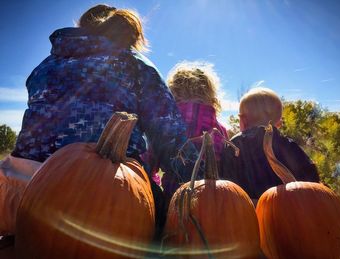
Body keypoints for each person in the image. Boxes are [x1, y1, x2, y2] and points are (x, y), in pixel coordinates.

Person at [1, 4, 197, 237]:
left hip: (17, 195)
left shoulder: (44, 66)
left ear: (82, 28)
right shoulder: (134, 64)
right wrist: (201, 185)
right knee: (165, 231)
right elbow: (171, 139)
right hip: (102, 202)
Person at [144, 61, 228, 205]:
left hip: (173, 201)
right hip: (215, 202)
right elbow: (227, 167)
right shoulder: (219, 130)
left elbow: (148, 163)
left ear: (171, 95)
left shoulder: (164, 127)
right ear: (211, 96)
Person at [221, 87, 320, 204]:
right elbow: (311, 179)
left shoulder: (234, 146)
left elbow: (225, 183)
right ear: (279, 124)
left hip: (246, 210)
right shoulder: (288, 145)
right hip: (286, 208)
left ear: (243, 121)